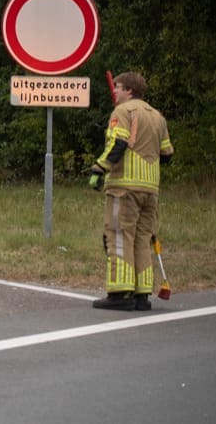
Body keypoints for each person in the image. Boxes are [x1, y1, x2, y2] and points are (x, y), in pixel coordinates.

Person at [89, 72, 174, 311]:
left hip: (124, 187)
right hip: (150, 189)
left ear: (129, 91)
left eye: (118, 88)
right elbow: (167, 154)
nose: (114, 91)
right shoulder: (157, 116)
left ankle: (119, 293)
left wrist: (99, 168)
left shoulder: (122, 112)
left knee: (118, 235)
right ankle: (142, 294)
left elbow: (119, 143)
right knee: (142, 239)